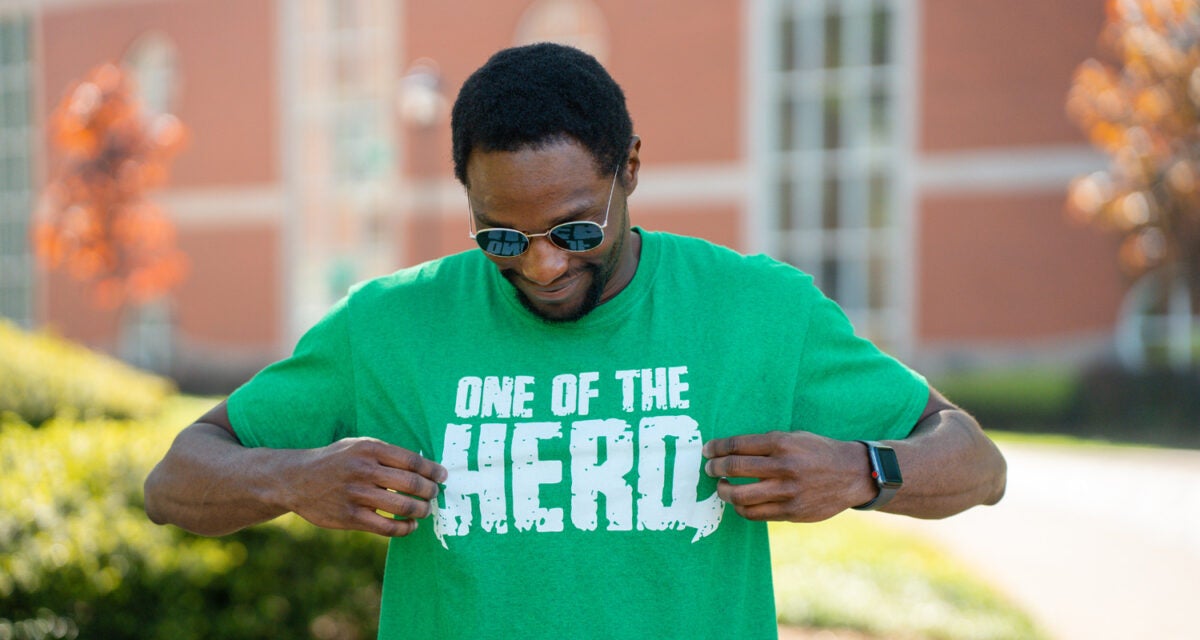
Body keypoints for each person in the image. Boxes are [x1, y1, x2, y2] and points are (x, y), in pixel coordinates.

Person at [144, 43, 1006, 640]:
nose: (545, 266)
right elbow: (177, 479)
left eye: (574, 229)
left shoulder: (757, 308)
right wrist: (293, 478)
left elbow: (973, 461)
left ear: (629, 169)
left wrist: (864, 471)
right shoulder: (391, 323)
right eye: (502, 239)